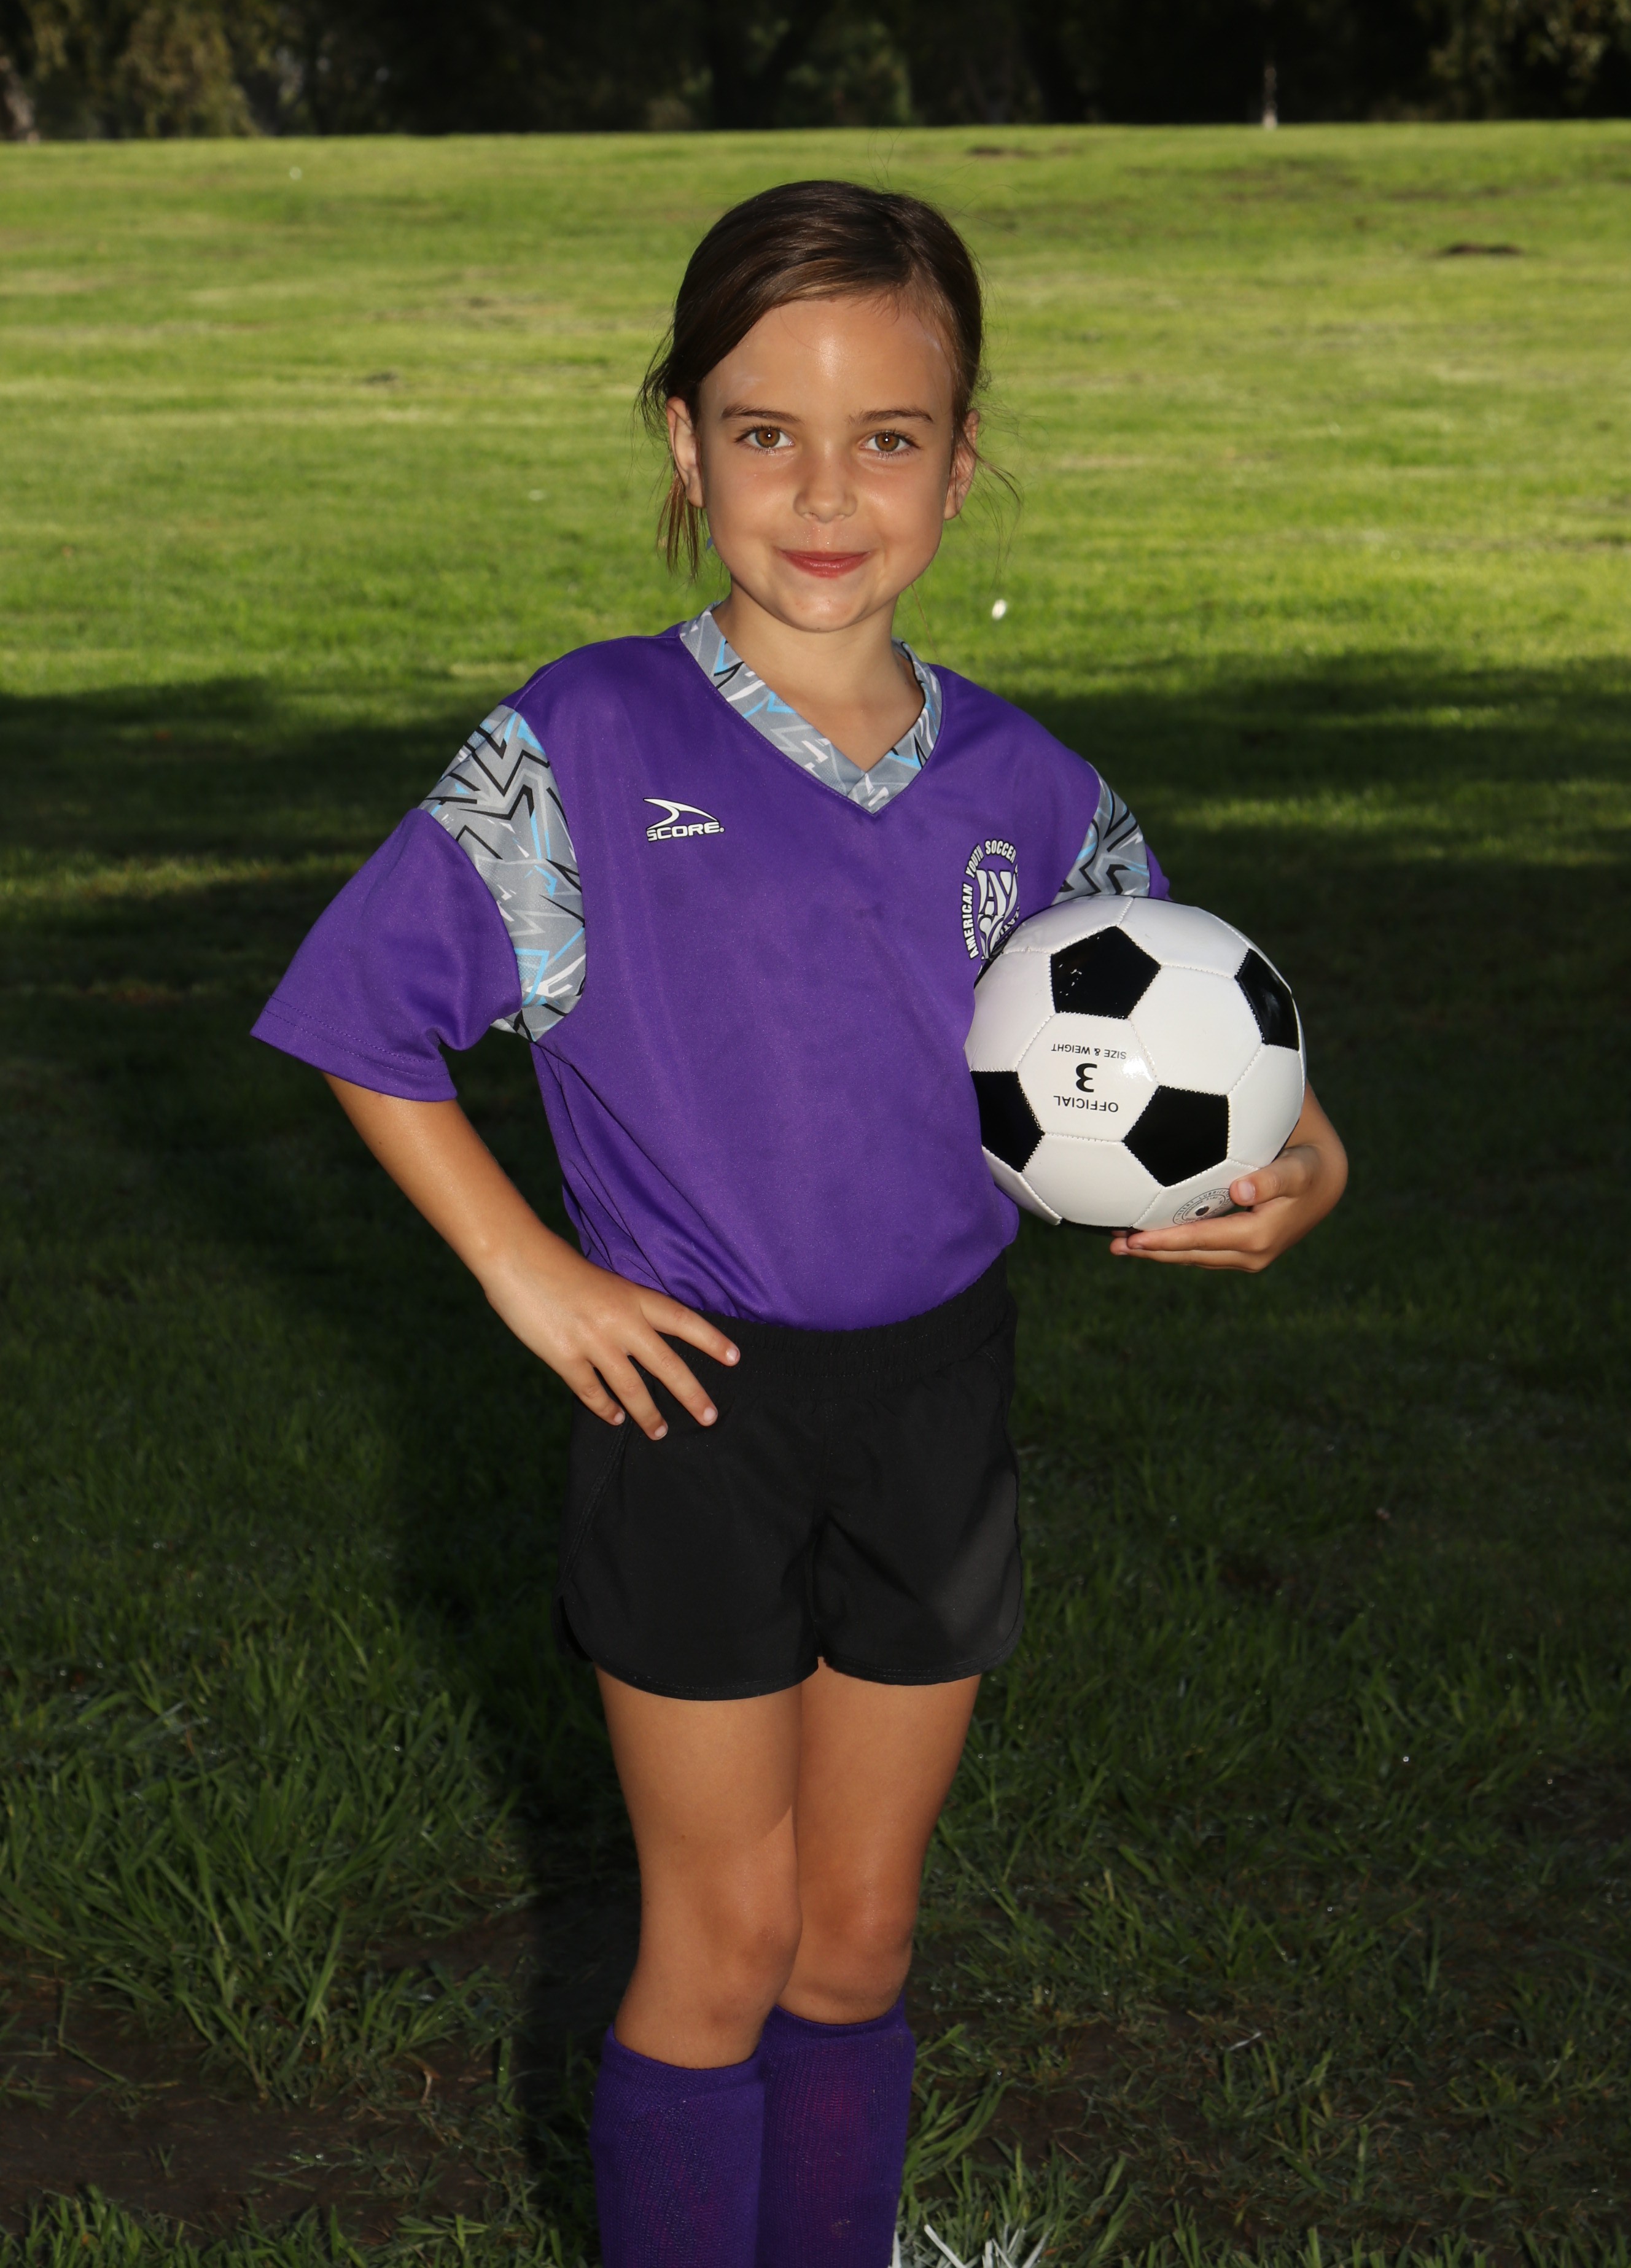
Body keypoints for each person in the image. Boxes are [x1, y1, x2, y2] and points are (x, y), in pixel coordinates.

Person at [252, 180, 1347, 2267]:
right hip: (692, 1410)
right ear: (684, 442)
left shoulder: (1032, 789)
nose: (826, 493)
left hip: (936, 1402)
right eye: (768, 433)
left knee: (856, 1934)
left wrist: (1315, 1166)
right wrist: (529, 1271)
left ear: (961, 458)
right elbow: (361, 1022)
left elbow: (1205, 1041)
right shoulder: (585, 744)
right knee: (726, 1934)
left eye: (887, 436)